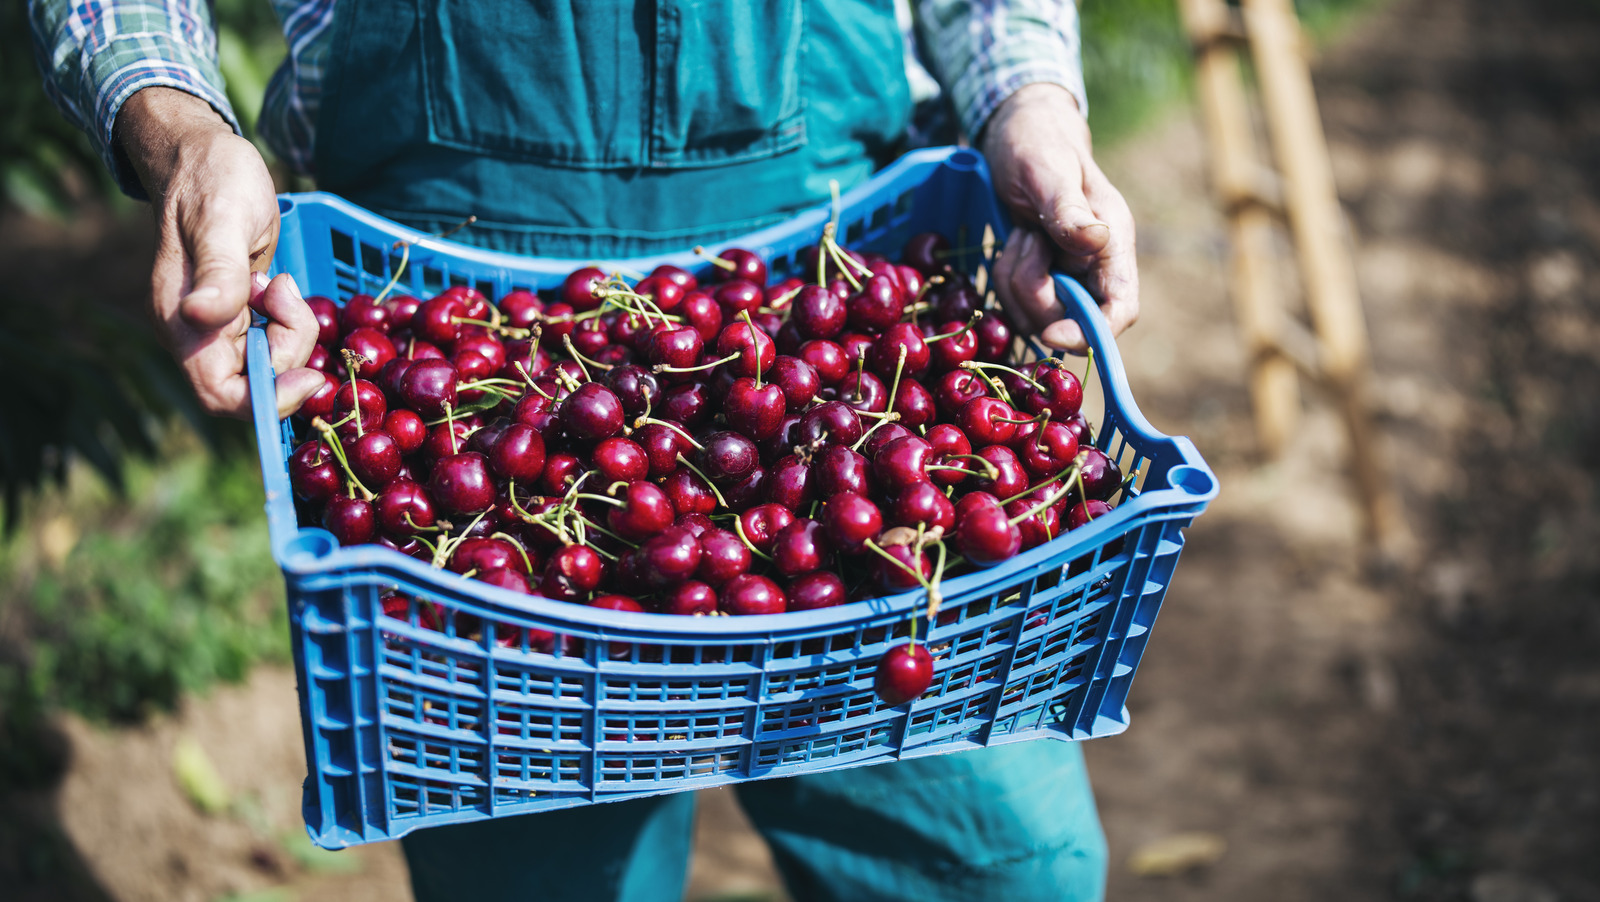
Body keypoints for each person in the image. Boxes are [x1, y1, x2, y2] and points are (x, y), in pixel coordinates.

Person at [30, 2, 1140, 899]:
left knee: (994, 864)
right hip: (446, 259)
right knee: (536, 876)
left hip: (834, 227)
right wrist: (179, 131)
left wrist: (1025, 104)